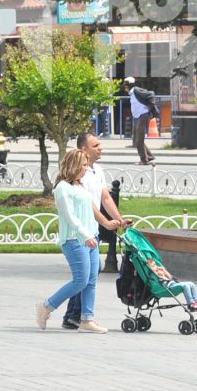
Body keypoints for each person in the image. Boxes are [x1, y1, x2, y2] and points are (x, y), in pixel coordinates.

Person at [36, 148, 106, 333]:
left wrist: (101, 227)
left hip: (91, 238)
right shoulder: (62, 188)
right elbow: (70, 216)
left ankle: (87, 319)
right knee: (81, 280)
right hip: (75, 240)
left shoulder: (79, 186)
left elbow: (89, 211)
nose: (85, 168)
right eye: (83, 165)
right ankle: (46, 306)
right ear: (74, 165)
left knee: (91, 281)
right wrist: (85, 235)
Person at [62, 133, 127, 329]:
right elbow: (89, 205)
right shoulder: (76, 177)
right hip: (80, 230)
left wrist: (119, 219)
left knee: (90, 272)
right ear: (84, 150)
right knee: (86, 274)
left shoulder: (97, 170)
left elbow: (105, 198)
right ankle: (70, 313)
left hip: (92, 228)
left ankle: (75, 315)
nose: (101, 148)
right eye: (96, 145)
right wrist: (106, 222)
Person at [127, 77, 160, 165]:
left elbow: (151, 94)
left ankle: (144, 160)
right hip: (138, 117)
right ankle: (149, 156)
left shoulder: (136, 90)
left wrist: (150, 106)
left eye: (125, 86)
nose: (125, 88)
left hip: (143, 116)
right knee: (137, 139)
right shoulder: (132, 93)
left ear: (128, 86)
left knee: (139, 140)